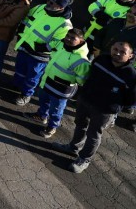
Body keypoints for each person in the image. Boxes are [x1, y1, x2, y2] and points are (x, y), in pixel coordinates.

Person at [55, 41, 136, 173]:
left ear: (130, 56)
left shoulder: (131, 75)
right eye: (115, 49)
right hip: (86, 100)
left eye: (123, 52)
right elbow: (89, 76)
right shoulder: (101, 60)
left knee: (93, 134)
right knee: (80, 125)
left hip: (104, 111)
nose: (117, 53)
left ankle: (84, 159)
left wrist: (114, 106)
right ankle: (73, 147)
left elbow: (131, 100)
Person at [11, 0, 74, 106]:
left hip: (39, 55)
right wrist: (20, 32)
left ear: (60, 7)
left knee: (33, 76)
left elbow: (58, 42)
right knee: (20, 68)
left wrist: (41, 48)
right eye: (49, 0)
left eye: (51, 3)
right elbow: (27, 19)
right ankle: (17, 84)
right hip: (25, 46)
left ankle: (26, 94)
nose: (48, 4)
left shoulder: (65, 25)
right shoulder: (40, 7)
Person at [31, 27, 90, 138]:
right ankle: (41, 116)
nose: (68, 39)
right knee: (43, 100)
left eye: (73, 38)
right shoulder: (60, 45)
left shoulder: (81, 60)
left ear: (81, 41)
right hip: (47, 82)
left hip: (61, 90)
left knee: (56, 110)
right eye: (67, 36)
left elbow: (81, 80)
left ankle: (52, 126)